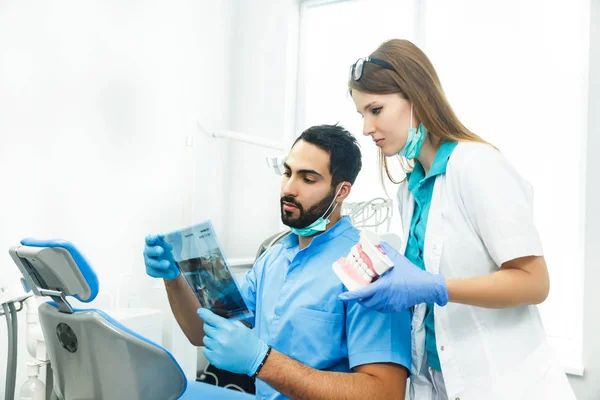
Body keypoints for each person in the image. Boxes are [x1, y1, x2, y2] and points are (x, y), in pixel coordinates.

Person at [340, 39, 576, 400]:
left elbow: (534, 283)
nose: (367, 127)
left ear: (415, 97)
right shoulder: (410, 191)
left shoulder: (476, 166)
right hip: (438, 380)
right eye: (362, 115)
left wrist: (436, 286)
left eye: (376, 109)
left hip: (506, 383)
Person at [144, 124, 412, 400]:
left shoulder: (369, 268)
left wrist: (262, 361)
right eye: (287, 173)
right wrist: (174, 278)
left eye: (308, 179)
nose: (289, 188)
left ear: (341, 191)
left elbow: (386, 393)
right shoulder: (273, 257)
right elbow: (203, 333)